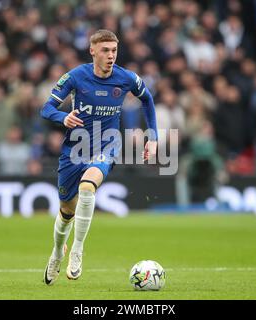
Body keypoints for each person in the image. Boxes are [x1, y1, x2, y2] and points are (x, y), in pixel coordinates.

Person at [40, 29, 158, 285]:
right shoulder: (75, 77)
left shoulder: (126, 78)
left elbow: (147, 100)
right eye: (105, 50)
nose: (111, 55)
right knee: (65, 211)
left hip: (107, 143)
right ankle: (57, 251)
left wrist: (154, 137)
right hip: (75, 148)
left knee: (87, 187)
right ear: (92, 51)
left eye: (114, 50)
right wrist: (64, 117)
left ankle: (78, 249)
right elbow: (46, 108)